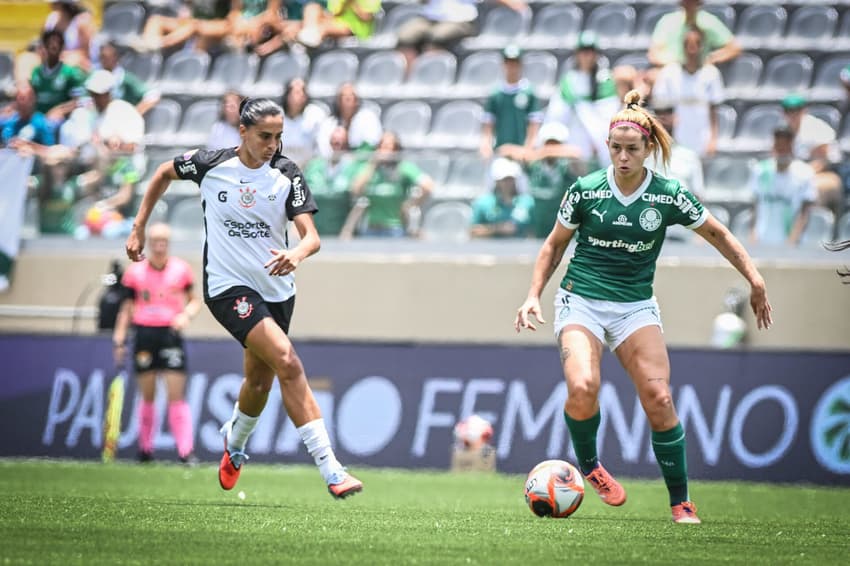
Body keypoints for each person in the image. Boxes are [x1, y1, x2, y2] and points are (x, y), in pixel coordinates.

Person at [514, 90, 773, 524]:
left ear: (649, 148)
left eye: (632, 149)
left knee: (659, 398)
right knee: (582, 387)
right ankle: (591, 466)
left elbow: (718, 234)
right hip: (581, 301)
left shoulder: (668, 194)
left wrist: (755, 278)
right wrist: (531, 295)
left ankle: (681, 503)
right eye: (615, 148)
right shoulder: (587, 190)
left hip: (635, 306)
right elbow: (553, 246)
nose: (622, 157)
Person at [124, 97, 363, 498]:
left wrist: (296, 254)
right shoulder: (211, 164)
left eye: (278, 136)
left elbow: (312, 238)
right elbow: (164, 171)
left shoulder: (286, 173)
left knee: (258, 380)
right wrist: (139, 226)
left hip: (277, 290)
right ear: (243, 132)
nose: (273, 144)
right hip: (227, 287)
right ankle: (332, 469)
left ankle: (234, 446)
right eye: (265, 136)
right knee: (288, 361)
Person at [113, 223, 201, 463]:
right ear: (149, 243)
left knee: (176, 393)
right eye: (156, 241)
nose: (160, 246)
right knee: (148, 394)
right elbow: (127, 308)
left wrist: (186, 315)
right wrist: (119, 340)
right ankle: (145, 449)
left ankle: (185, 451)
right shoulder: (134, 272)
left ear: (169, 243)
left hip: (170, 333)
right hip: (144, 333)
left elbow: (194, 301)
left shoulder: (181, 270)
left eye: (164, 241)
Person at [545, 31, 619, 168]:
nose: (587, 56)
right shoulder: (568, 80)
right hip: (574, 143)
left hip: (600, 146)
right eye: (583, 51)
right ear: (577, 54)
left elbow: (608, 114)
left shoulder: (606, 79)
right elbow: (557, 114)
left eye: (590, 51)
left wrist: (597, 140)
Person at [651, 26, 724, 158]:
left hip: (702, 137)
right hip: (676, 138)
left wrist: (713, 139)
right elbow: (660, 109)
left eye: (696, 44)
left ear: (702, 46)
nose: (692, 49)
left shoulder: (712, 73)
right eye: (688, 45)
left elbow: (714, 110)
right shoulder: (669, 72)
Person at [345, 130, 432, 238]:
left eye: (387, 146)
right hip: (370, 229)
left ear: (395, 149)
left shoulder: (403, 168)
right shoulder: (372, 171)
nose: (382, 150)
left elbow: (427, 185)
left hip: (394, 230)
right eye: (380, 146)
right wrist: (372, 165)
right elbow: (355, 190)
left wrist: (409, 204)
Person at [747, 125, 816, 247]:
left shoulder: (805, 172)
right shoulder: (760, 170)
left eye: (785, 144)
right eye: (778, 143)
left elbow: (804, 213)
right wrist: (753, 235)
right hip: (762, 242)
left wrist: (791, 242)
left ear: (792, 145)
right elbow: (755, 206)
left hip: (792, 245)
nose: (782, 148)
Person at [780, 94, 843, 215]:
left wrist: (801, 176)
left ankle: (813, 228)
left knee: (811, 189)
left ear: (803, 111)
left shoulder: (816, 128)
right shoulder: (782, 130)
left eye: (796, 110)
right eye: (788, 111)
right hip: (798, 177)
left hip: (827, 175)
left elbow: (823, 162)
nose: (792, 115)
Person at [479, 45, 543, 161]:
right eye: (508, 62)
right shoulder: (495, 94)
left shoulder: (528, 92)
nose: (512, 66)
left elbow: (534, 125)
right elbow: (488, 125)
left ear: (520, 64)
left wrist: (528, 149)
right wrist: (486, 146)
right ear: (503, 64)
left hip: (522, 154)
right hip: (500, 151)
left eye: (515, 62)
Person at [648, 0, 741, 67]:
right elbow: (653, 54)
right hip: (670, 73)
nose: (689, 4)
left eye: (693, 1)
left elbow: (734, 48)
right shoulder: (667, 21)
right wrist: (674, 63)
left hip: (700, 73)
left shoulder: (709, 21)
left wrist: (711, 58)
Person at [645, 103, 704, 201]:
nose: (663, 118)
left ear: (676, 119)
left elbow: (697, 195)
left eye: (668, 113)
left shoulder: (690, 156)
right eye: (658, 114)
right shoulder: (643, 155)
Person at [29, 29, 87, 127]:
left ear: (62, 47)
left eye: (57, 42)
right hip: (37, 119)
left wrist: (60, 110)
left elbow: (79, 101)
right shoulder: (36, 72)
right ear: (44, 46)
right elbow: (29, 99)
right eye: (50, 42)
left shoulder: (70, 73)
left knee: (50, 126)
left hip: (58, 121)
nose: (54, 45)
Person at [470, 157, 534, 239]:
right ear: (496, 181)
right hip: (491, 250)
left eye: (511, 179)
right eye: (504, 179)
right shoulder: (483, 202)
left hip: (521, 250)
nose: (508, 183)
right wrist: (497, 229)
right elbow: (472, 232)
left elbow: (534, 231)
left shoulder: (527, 202)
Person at [315, 82, 381, 158]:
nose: (348, 98)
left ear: (357, 100)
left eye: (351, 95)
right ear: (338, 100)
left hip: (360, 164)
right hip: (333, 163)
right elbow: (323, 148)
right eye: (344, 96)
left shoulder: (368, 118)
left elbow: (371, 145)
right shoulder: (329, 123)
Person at [98, 42, 161, 117]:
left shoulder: (125, 78)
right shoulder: (98, 78)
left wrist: (134, 114)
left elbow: (152, 95)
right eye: (102, 57)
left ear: (115, 57)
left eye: (107, 58)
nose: (104, 61)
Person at [295, 0, 382, 48]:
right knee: (312, 7)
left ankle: (310, 38)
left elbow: (365, 17)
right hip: (338, 23)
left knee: (323, 27)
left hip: (357, 29)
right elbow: (334, 13)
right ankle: (309, 34)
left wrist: (352, 3)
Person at [281, 77, 326, 167]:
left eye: (304, 91)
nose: (301, 95)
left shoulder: (316, 114)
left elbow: (321, 148)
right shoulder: (275, 115)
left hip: (308, 170)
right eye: (297, 92)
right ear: (287, 95)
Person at [43, 0, 96, 71]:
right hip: (53, 57)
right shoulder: (51, 19)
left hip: (76, 61)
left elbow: (88, 52)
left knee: (66, 63)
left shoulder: (82, 21)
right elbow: (44, 44)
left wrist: (62, 55)